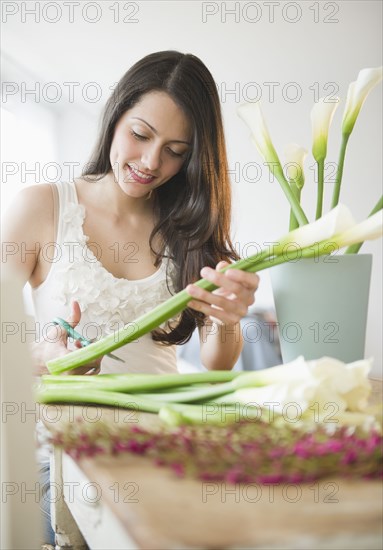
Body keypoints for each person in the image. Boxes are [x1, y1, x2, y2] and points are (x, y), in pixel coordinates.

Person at [1, 50, 259, 545]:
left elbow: (218, 363)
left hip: (160, 451)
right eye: (141, 135)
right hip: (59, 459)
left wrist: (228, 319)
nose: (150, 163)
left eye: (175, 150)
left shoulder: (190, 229)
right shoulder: (42, 206)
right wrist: (42, 356)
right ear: (116, 116)